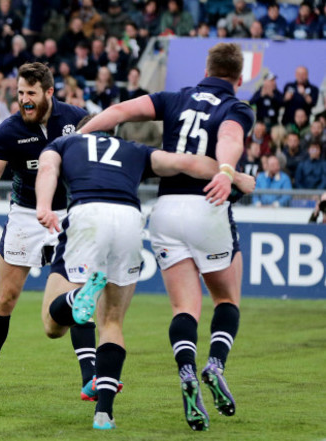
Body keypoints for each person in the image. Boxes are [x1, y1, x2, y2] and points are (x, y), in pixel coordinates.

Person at [35, 116, 254, 431]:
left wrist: (43, 205)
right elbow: (187, 162)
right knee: (111, 321)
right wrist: (235, 176)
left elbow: (47, 169)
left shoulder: (66, 142)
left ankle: (77, 295)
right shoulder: (132, 149)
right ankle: (104, 414)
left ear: (84, 130)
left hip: (88, 213)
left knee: (52, 325)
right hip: (128, 218)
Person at [79, 42, 255, 431]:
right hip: (207, 203)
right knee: (226, 297)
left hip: (166, 211)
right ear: (238, 79)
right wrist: (226, 171)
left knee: (183, 307)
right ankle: (215, 364)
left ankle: (187, 371)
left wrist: (81, 137)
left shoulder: (176, 98)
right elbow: (230, 136)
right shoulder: (236, 107)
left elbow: (121, 112)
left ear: (205, 68)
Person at [0, 62, 97, 401]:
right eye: (20, 92)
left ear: (49, 93)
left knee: (79, 297)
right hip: (25, 216)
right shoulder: (8, 131)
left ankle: (90, 379)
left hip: (68, 215)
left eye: (31, 93)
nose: (24, 99)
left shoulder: (76, 120)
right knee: (6, 298)